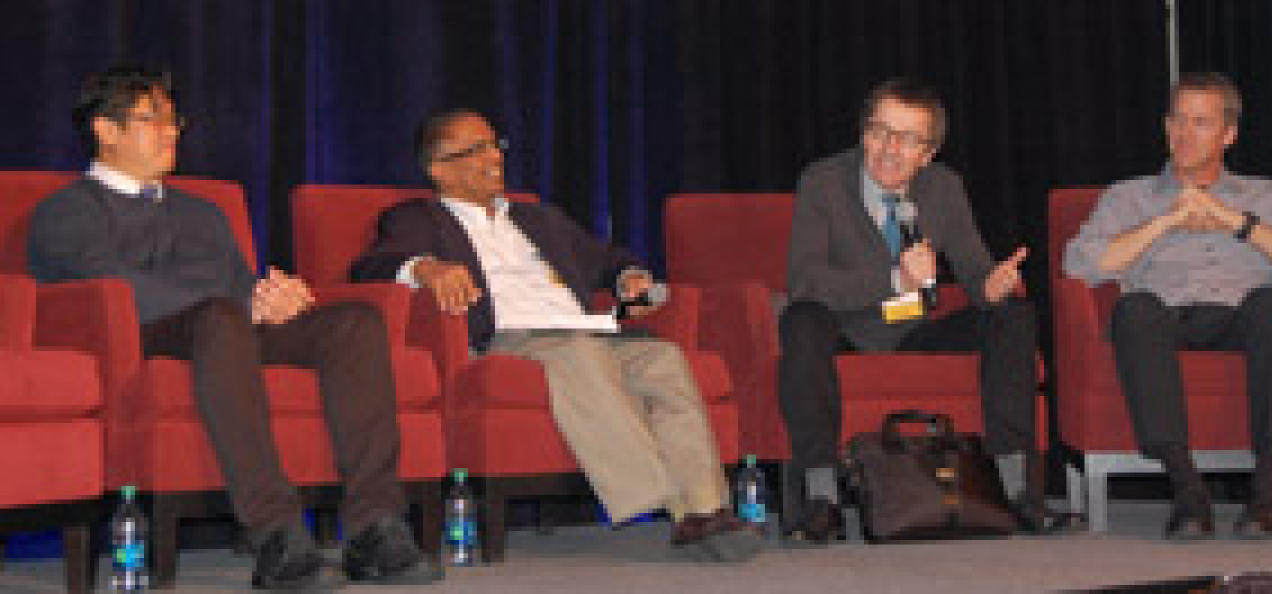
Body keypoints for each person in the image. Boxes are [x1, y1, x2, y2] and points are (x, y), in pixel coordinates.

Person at [27, 67, 443, 590]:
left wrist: (279, 298)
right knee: (222, 318)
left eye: (174, 120)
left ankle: (374, 528)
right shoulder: (64, 211)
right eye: (152, 120)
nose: (171, 132)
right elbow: (110, 289)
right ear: (104, 131)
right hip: (146, 337)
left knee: (353, 323)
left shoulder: (203, 213)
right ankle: (275, 534)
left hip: (226, 331)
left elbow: (240, 286)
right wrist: (243, 305)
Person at [350, 109, 763, 563]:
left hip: (586, 330)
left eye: (495, 146)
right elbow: (371, 266)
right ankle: (660, 495)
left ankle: (704, 509)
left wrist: (630, 277)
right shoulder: (417, 219)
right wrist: (426, 268)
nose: (493, 158)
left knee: (663, 358)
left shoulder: (538, 219)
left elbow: (606, 258)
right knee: (582, 356)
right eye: (476, 150)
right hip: (513, 339)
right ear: (439, 169)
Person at [779, 77, 1063, 543]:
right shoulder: (823, 183)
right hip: (844, 330)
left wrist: (992, 286)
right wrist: (893, 280)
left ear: (927, 153)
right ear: (862, 133)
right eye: (879, 131)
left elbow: (974, 272)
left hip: (912, 327)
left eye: (906, 138)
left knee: (1012, 314)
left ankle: (1018, 491)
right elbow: (806, 283)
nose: (889, 149)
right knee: (802, 321)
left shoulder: (944, 188)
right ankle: (822, 499)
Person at [1064, 72, 1272, 540]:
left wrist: (1237, 222)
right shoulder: (1129, 196)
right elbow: (1081, 263)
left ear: (1229, 135)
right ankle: (1188, 491)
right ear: (1165, 126)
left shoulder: (1265, 196)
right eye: (1178, 121)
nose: (1185, 134)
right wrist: (1163, 224)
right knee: (1134, 310)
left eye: (1202, 123)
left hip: (1241, 316)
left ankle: (1267, 495)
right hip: (1166, 316)